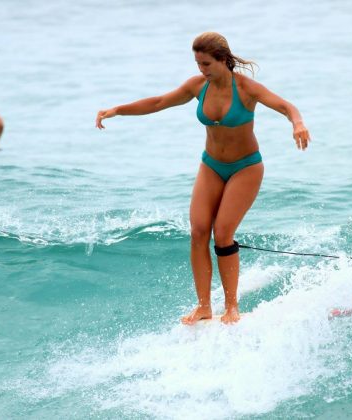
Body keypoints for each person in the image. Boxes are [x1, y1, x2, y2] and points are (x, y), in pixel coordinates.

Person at [96, 32, 311, 325]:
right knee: (198, 231)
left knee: (222, 234)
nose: (202, 70)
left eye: (206, 63)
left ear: (223, 60)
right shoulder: (199, 86)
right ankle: (203, 306)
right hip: (211, 166)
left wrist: (297, 123)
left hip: (245, 168)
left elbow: (287, 106)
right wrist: (118, 110)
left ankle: (232, 307)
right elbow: (159, 102)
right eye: (198, 63)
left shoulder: (246, 89)